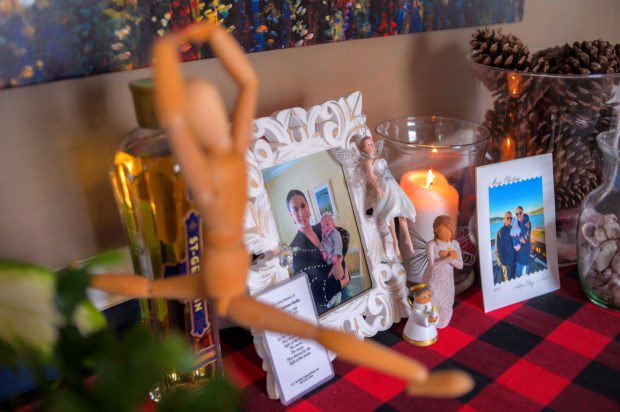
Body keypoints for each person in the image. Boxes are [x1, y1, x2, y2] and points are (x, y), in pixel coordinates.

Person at [287, 190, 349, 314]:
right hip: (330, 306)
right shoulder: (295, 248)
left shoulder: (321, 227)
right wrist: (344, 281)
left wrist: (338, 262)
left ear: (308, 206)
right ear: (291, 215)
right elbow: (315, 292)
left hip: (345, 291)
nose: (301, 213)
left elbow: (344, 235)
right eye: (295, 209)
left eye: (303, 206)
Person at [360, 136, 416, 258]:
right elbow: (370, 176)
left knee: (402, 211)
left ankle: (408, 238)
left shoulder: (380, 159)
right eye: (368, 145)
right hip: (384, 188)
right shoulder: (369, 162)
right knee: (389, 213)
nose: (372, 145)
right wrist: (378, 188)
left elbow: (387, 174)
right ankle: (395, 241)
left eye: (372, 143)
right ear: (364, 149)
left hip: (393, 185)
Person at [423, 215, 463, 329]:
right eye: (444, 232)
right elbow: (432, 266)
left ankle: (442, 319)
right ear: (436, 230)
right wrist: (447, 258)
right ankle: (430, 320)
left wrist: (451, 258)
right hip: (434, 281)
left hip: (448, 281)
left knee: (446, 306)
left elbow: (460, 265)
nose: (448, 235)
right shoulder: (431, 245)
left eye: (450, 231)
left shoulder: (455, 244)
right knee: (431, 303)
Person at [320, 213, 350, 302]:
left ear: (333, 225)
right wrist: (323, 252)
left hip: (337, 259)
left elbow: (338, 243)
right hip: (330, 262)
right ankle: (337, 294)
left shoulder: (334, 233)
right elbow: (321, 245)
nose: (325, 228)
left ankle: (345, 294)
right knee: (334, 279)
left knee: (342, 276)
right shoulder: (323, 237)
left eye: (327, 225)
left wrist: (335, 254)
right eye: (322, 227)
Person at [494, 211, 516, 283]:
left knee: (513, 280)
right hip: (506, 265)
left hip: (513, 262)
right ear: (504, 219)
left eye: (511, 218)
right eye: (508, 218)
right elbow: (498, 251)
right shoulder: (500, 232)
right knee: (507, 283)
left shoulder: (512, 228)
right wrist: (504, 265)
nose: (509, 219)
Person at [515, 206, 532, 277]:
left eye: (520, 213)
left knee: (525, 278)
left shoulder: (527, 223)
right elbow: (513, 236)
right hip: (518, 257)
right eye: (516, 214)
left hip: (525, 257)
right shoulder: (516, 224)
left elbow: (525, 239)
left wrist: (517, 239)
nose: (518, 215)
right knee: (519, 275)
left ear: (523, 212)